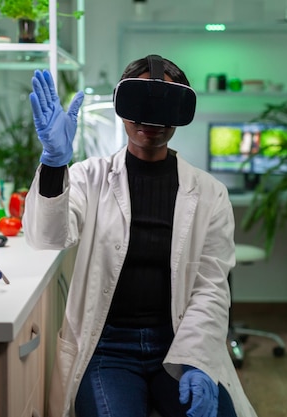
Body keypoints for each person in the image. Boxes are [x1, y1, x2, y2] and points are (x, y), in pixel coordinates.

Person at [23, 55, 258, 417]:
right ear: (122, 106)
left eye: (164, 106)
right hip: (107, 348)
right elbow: (47, 237)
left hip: (179, 342)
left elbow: (211, 287)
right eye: (141, 105)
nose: (152, 121)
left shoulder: (210, 193)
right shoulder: (90, 177)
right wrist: (55, 163)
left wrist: (197, 361)